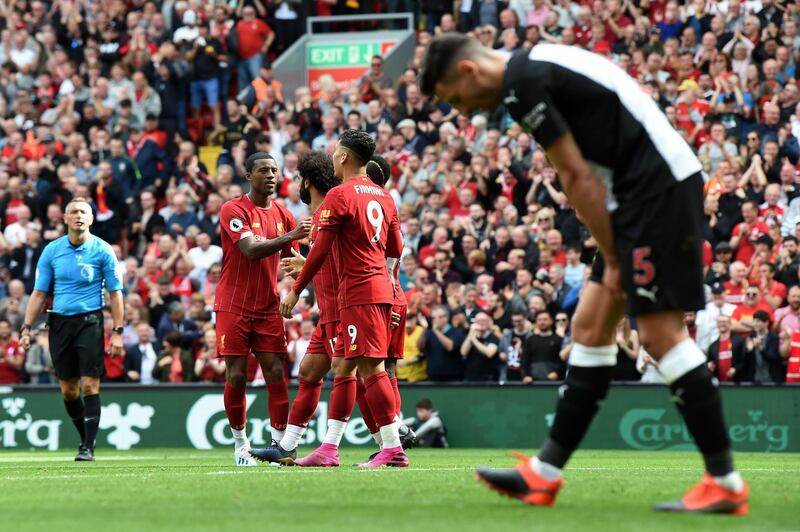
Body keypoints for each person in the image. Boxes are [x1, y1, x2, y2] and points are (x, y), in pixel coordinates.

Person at [421, 34, 747, 513]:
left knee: (660, 335)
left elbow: (575, 175)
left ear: (468, 71)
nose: (465, 111)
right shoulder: (533, 65)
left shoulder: (520, 83)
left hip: (655, 194)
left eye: (456, 99)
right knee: (590, 326)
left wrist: (614, 256)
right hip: (642, 194)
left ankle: (724, 481)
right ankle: (544, 474)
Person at [279, 129, 408, 468]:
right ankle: (369, 445)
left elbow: (319, 252)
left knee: (370, 369)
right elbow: (396, 250)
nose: (333, 156)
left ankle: (392, 447)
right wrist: (391, 286)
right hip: (380, 288)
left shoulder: (341, 195)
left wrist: (294, 291)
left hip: (357, 292)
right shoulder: (384, 196)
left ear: (343, 156)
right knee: (365, 368)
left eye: (336, 151)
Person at [250, 149, 349, 467]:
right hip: (329, 311)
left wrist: (295, 290)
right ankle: (287, 446)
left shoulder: (328, 215)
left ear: (306, 181)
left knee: (352, 373)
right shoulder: (321, 217)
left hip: (343, 309)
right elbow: (335, 262)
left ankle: (388, 435)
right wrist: (307, 262)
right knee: (309, 372)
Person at [213, 151, 310, 467]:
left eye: (274, 170)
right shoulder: (233, 209)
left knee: (276, 373)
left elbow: (294, 263)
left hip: (268, 307)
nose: (271, 175)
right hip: (233, 305)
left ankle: (279, 445)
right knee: (237, 375)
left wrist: (297, 291)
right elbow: (251, 250)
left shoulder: (284, 214)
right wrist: (292, 235)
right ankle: (241, 445)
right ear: (248, 175)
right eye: (264, 170)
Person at [20, 197, 125, 461]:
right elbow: (39, 293)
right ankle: (85, 437)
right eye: (73, 212)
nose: (78, 216)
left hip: (90, 321)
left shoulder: (102, 250)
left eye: (83, 212)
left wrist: (117, 331)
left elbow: (116, 294)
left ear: (91, 219)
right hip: (59, 323)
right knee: (68, 389)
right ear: (65, 218)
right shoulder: (51, 251)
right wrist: (25, 327)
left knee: (90, 384)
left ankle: (87, 446)